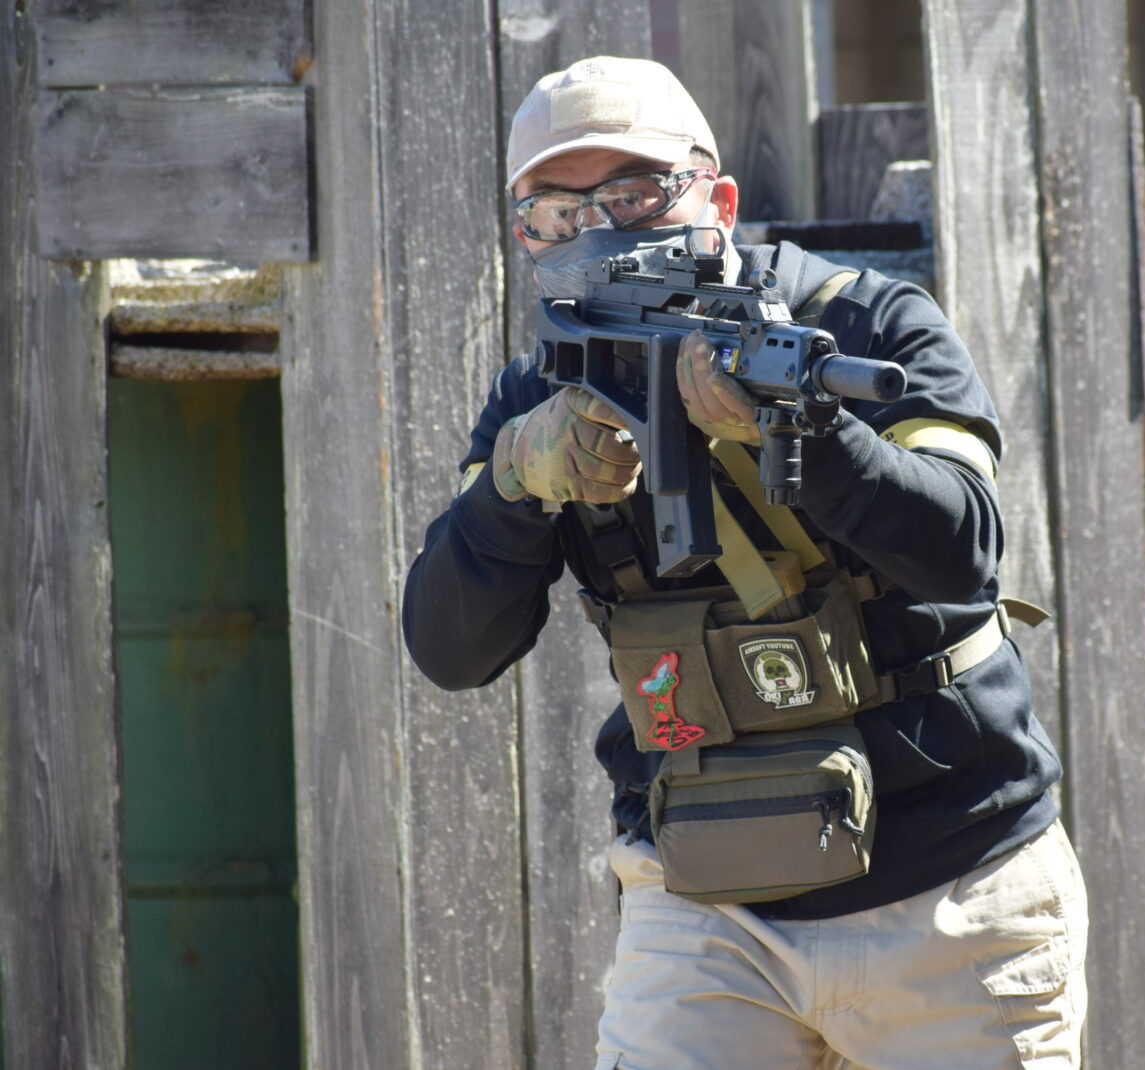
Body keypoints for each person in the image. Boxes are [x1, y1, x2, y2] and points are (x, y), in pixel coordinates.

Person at [403, 55, 1087, 1069]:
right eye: (557, 209)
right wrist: (513, 483)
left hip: (951, 882)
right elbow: (449, 648)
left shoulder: (869, 325)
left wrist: (813, 439)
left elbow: (964, 549)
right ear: (524, 236)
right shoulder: (538, 390)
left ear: (717, 202)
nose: (600, 231)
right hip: (703, 899)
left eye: (636, 194)